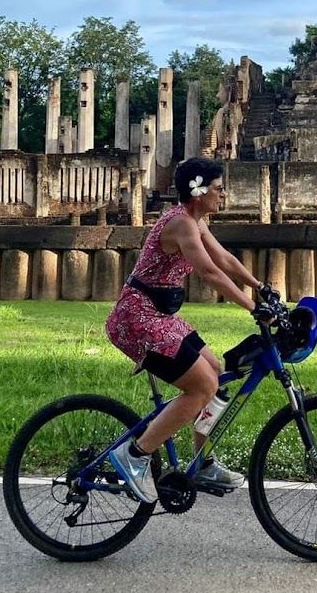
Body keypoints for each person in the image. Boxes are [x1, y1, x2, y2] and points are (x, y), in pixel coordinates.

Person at [105, 156, 266, 504]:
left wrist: (260, 287)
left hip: (159, 316)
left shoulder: (196, 221)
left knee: (216, 375)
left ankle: (203, 461)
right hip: (137, 319)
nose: (223, 195)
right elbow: (209, 273)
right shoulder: (180, 224)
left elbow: (225, 260)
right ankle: (134, 456)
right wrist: (251, 306)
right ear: (199, 190)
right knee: (201, 386)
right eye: (219, 189)